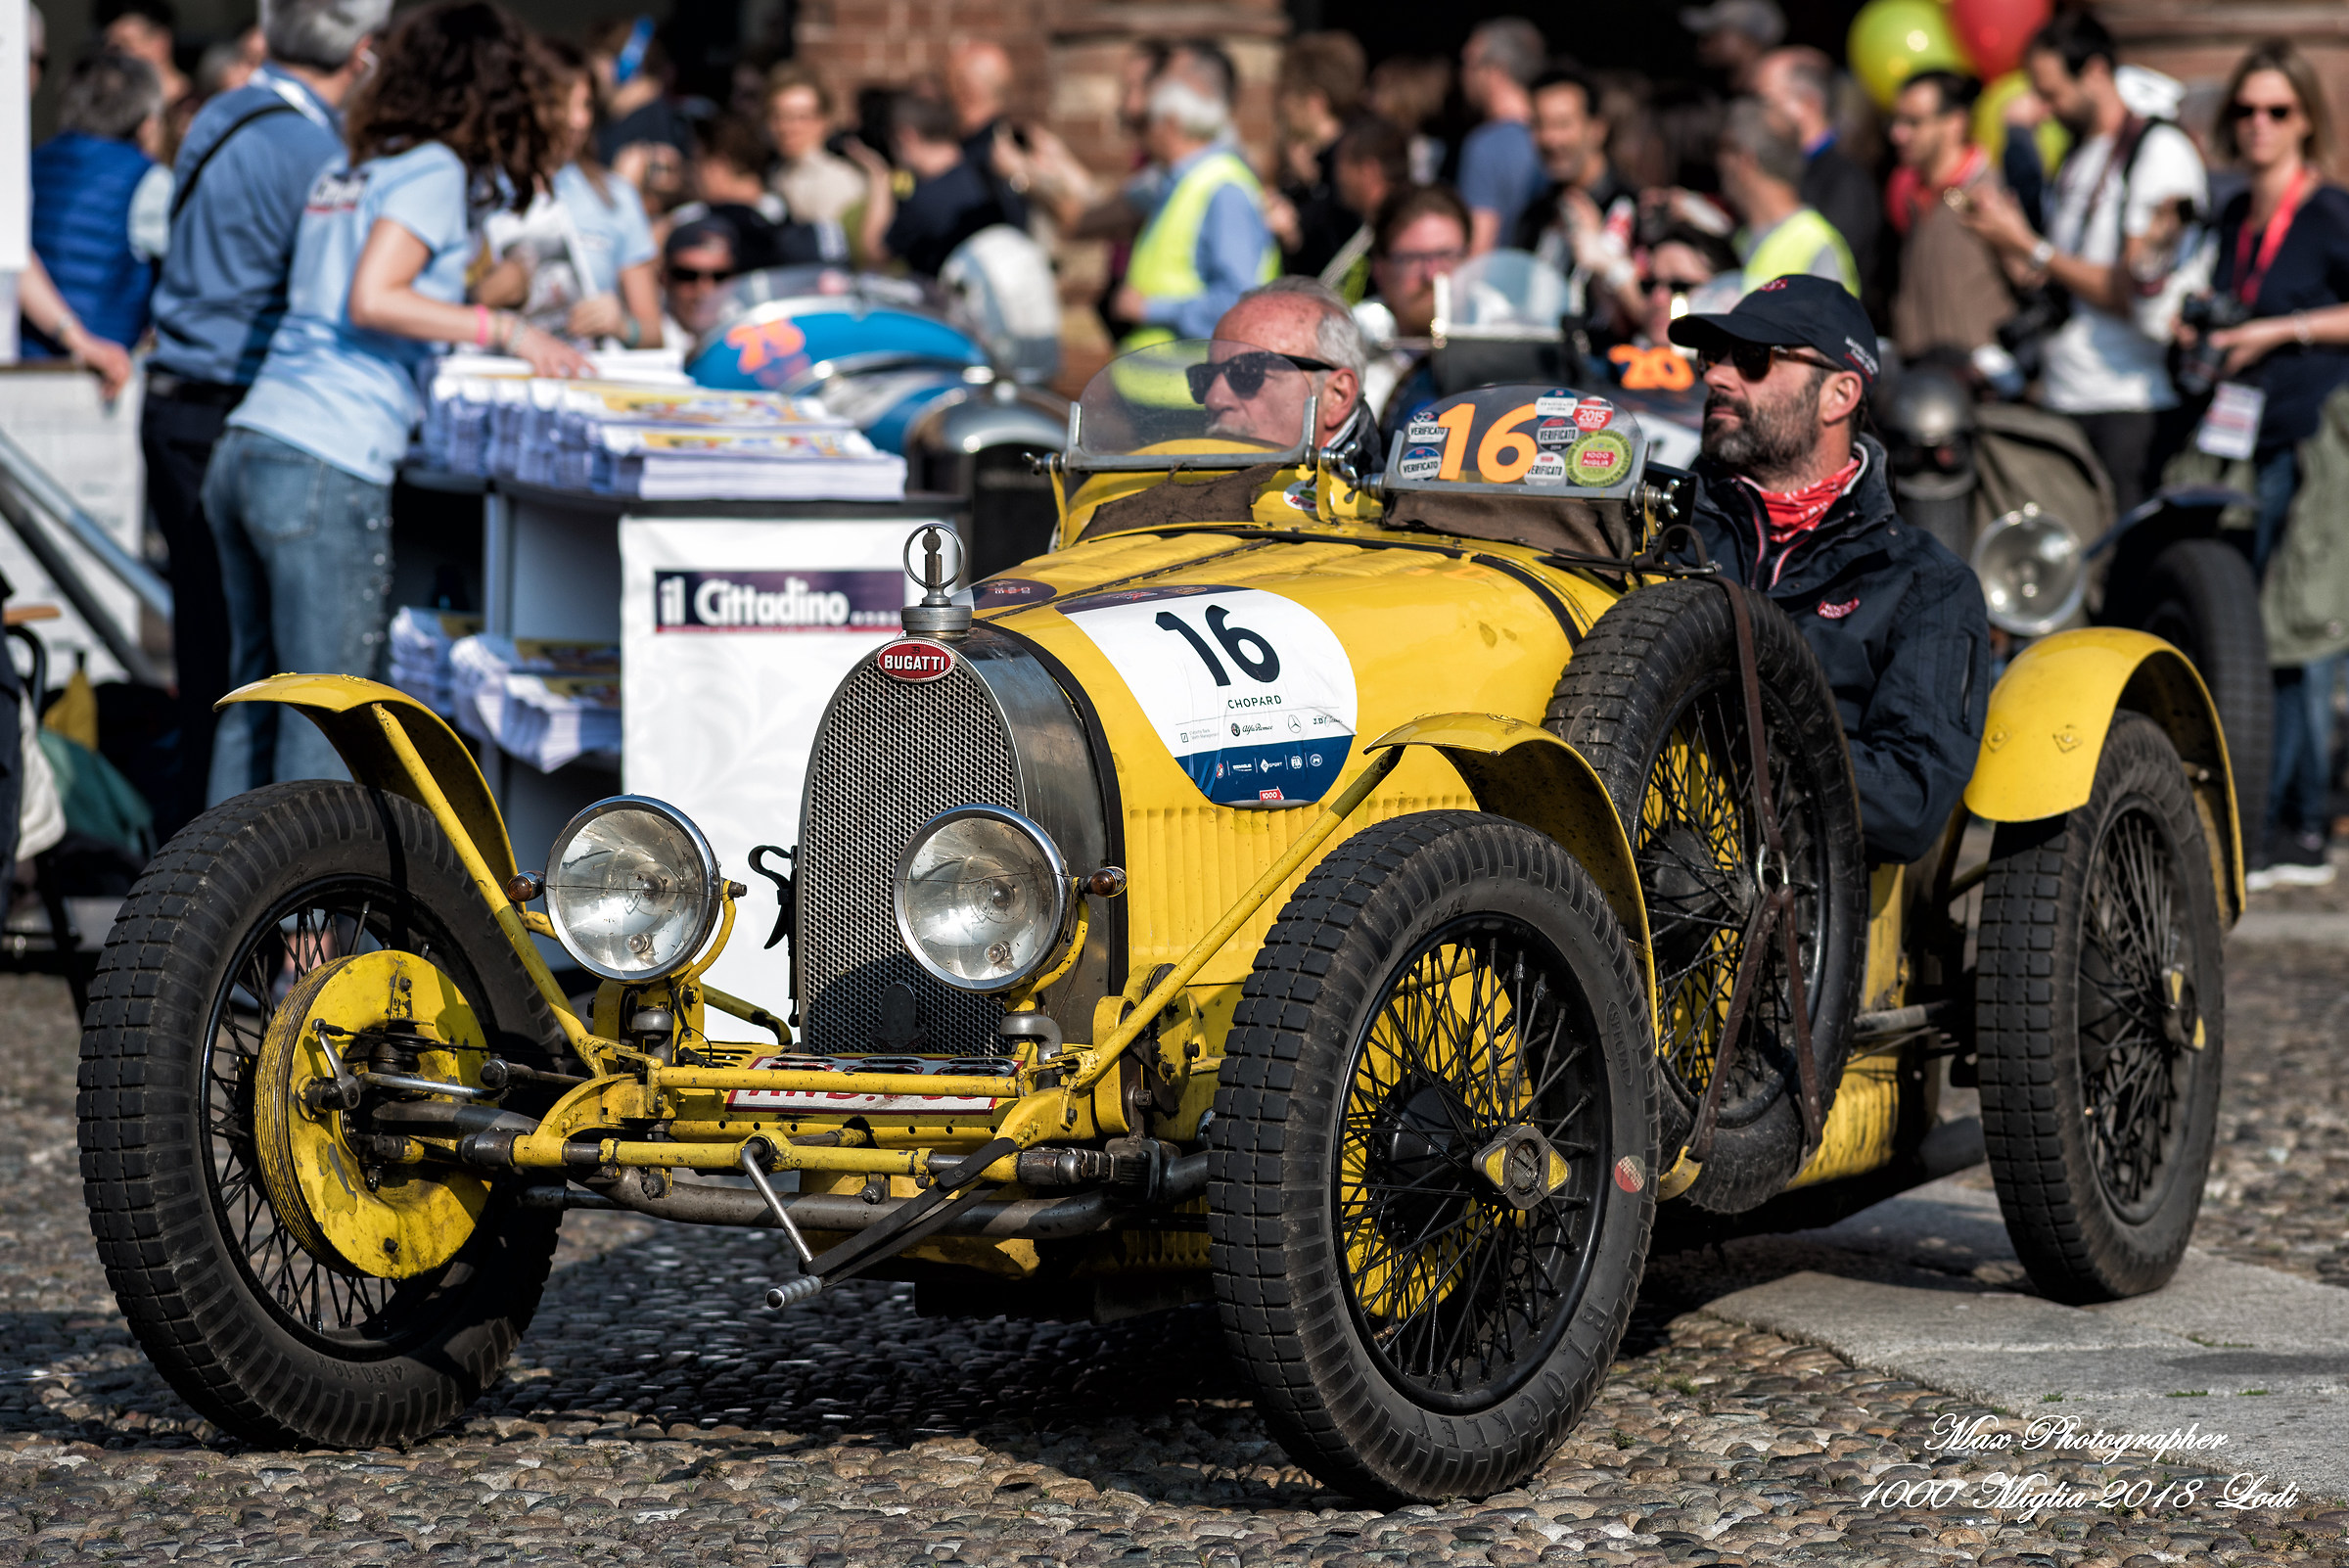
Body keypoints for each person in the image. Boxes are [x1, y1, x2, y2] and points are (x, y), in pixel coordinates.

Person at [207, 0, 591, 803]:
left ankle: (216, 921)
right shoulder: (435, 170)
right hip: (326, 451)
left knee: (252, 707)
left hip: (254, 438)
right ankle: (305, 932)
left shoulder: (358, 164)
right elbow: (374, 297)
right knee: (325, 716)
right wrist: (507, 328)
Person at [143, 0, 388, 840]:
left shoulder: (223, 109)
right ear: (359, 55)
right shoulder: (310, 149)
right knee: (260, 681)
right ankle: (245, 904)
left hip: (181, 398)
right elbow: (344, 293)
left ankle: (202, 895)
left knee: (219, 667)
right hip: (230, 403)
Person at [1668, 275, 1991, 864]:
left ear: (1839, 396)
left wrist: (1734, 735)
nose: (1715, 376)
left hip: (1801, 915)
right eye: (1712, 356)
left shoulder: (1925, 583)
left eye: (1753, 359)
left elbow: (1909, 802)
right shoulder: (1660, 529)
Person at [2185, 40, 2349, 885]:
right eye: (2246, 110)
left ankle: (2307, 824)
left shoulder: (2328, 213)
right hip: (2244, 438)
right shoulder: (2231, 214)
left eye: (2277, 111)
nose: (2259, 126)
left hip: (2315, 437)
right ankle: (2271, 816)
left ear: (2307, 119)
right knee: (2255, 626)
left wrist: (2280, 330)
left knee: (2305, 627)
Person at [1955, 10, 2207, 517]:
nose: (2044, 110)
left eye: (2053, 94)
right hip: (2065, 394)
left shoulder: (2160, 155)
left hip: (2128, 406)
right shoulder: (2080, 156)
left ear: (2094, 71)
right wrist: (2002, 234)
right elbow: (2051, 277)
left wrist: (2030, 244)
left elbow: (2129, 290)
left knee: (2122, 572)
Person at [476, 37, 662, 351]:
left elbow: (653, 334)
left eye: (587, 105)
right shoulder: (481, 189)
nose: (579, 120)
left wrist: (622, 325)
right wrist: (485, 296)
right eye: (563, 104)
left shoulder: (614, 195)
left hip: (593, 381)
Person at [1105, 51, 1275, 347]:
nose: (1144, 134)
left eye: (1149, 122)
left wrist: (1152, 308)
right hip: (1163, 381)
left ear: (1170, 124)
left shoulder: (1223, 188)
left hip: (1195, 385)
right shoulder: (1181, 182)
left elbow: (1238, 300)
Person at [24, 52, 169, 366]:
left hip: (26, 356)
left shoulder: (31, 163)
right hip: (104, 364)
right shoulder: (148, 180)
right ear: (147, 123)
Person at [1884, 70, 2015, 359]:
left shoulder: (1988, 193)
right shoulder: (1914, 195)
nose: (1898, 133)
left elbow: (2029, 277)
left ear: (1955, 123)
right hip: (1923, 379)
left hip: (1981, 387)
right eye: (1896, 121)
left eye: (1914, 122)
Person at [1517, 66, 1642, 340]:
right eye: (1539, 125)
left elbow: (1649, 313)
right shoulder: (1534, 214)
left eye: (1562, 124)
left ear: (1597, 129)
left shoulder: (1635, 208)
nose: (1550, 139)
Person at [1753, 47, 1881, 301]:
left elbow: (1838, 280)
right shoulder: (1792, 172)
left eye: (1765, 103)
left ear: (1808, 104)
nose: (1755, 116)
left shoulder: (1844, 181)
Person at [1199, 276, 1372, 463]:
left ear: (1337, 395)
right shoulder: (1177, 485)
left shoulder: (1384, 492)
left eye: (1248, 373)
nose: (1213, 399)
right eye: (1204, 378)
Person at [1350, 183, 1470, 443]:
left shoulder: (1508, 331)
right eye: (1413, 259)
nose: (1432, 275)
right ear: (1380, 269)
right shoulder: (1351, 350)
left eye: (1446, 255)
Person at [1718, 98, 1859, 297]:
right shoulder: (1741, 238)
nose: (1718, 162)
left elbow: (1831, 326)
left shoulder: (1816, 244)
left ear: (1744, 161)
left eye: (1722, 149)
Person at [877, 91, 1015, 280]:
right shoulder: (987, 171)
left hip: (948, 305)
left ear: (906, 136)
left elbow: (874, 255)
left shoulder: (922, 200)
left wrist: (878, 183)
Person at [1269, 31, 1366, 279]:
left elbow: (1341, 248)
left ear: (1315, 102)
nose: (1282, 106)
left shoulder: (1351, 162)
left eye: (1288, 95)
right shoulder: (1310, 160)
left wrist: (1293, 228)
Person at [1455, 17, 1547, 255]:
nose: (1464, 75)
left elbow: (1478, 250)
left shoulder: (1485, 146)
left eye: (1470, 63)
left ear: (1496, 71)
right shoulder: (1550, 138)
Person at [587, 16, 692, 214]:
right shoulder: (614, 121)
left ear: (627, 63)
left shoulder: (654, 125)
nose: (590, 71)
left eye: (597, 59)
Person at [1317, 116, 1410, 303]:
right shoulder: (1366, 228)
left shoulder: (1403, 231)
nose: (1338, 177)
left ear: (1368, 170)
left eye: (1342, 165)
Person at [764, 63, 868, 225]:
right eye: (778, 116)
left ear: (824, 121)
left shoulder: (836, 181)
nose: (786, 127)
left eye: (800, 117)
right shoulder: (776, 173)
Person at [661, 213, 743, 343]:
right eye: (688, 275)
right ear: (664, 278)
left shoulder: (750, 328)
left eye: (719, 277)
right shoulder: (644, 339)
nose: (705, 289)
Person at [1680, 0, 1783, 95]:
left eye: (1715, 35)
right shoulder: (1735, 90)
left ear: (1744, 38)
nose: (1702, 46)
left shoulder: (1775, 92)